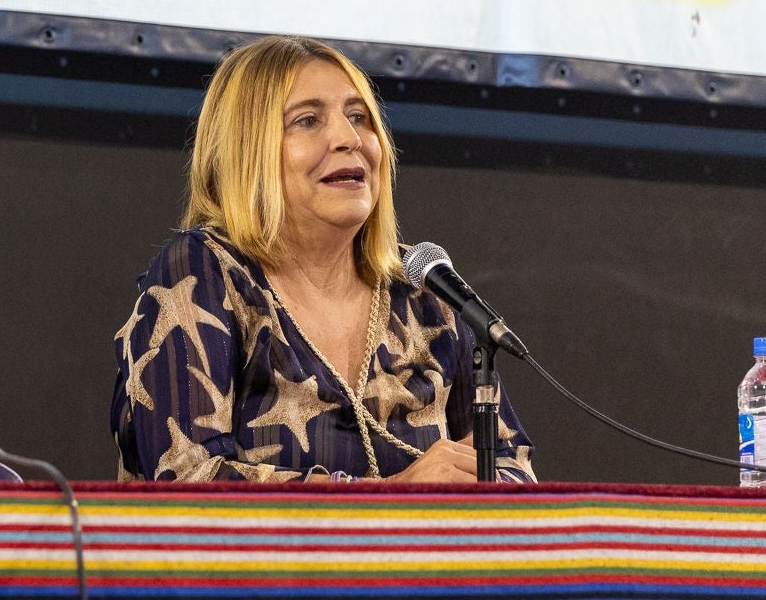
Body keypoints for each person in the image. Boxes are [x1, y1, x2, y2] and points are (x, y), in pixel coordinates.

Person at [111, 35, 536, 483]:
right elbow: (186, 479)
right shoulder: (204, 273)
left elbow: (516, 470)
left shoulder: (424, 293)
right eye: (308, 121)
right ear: (244, 151)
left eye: (359, 117)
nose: (348, 138)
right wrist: (391, 499)